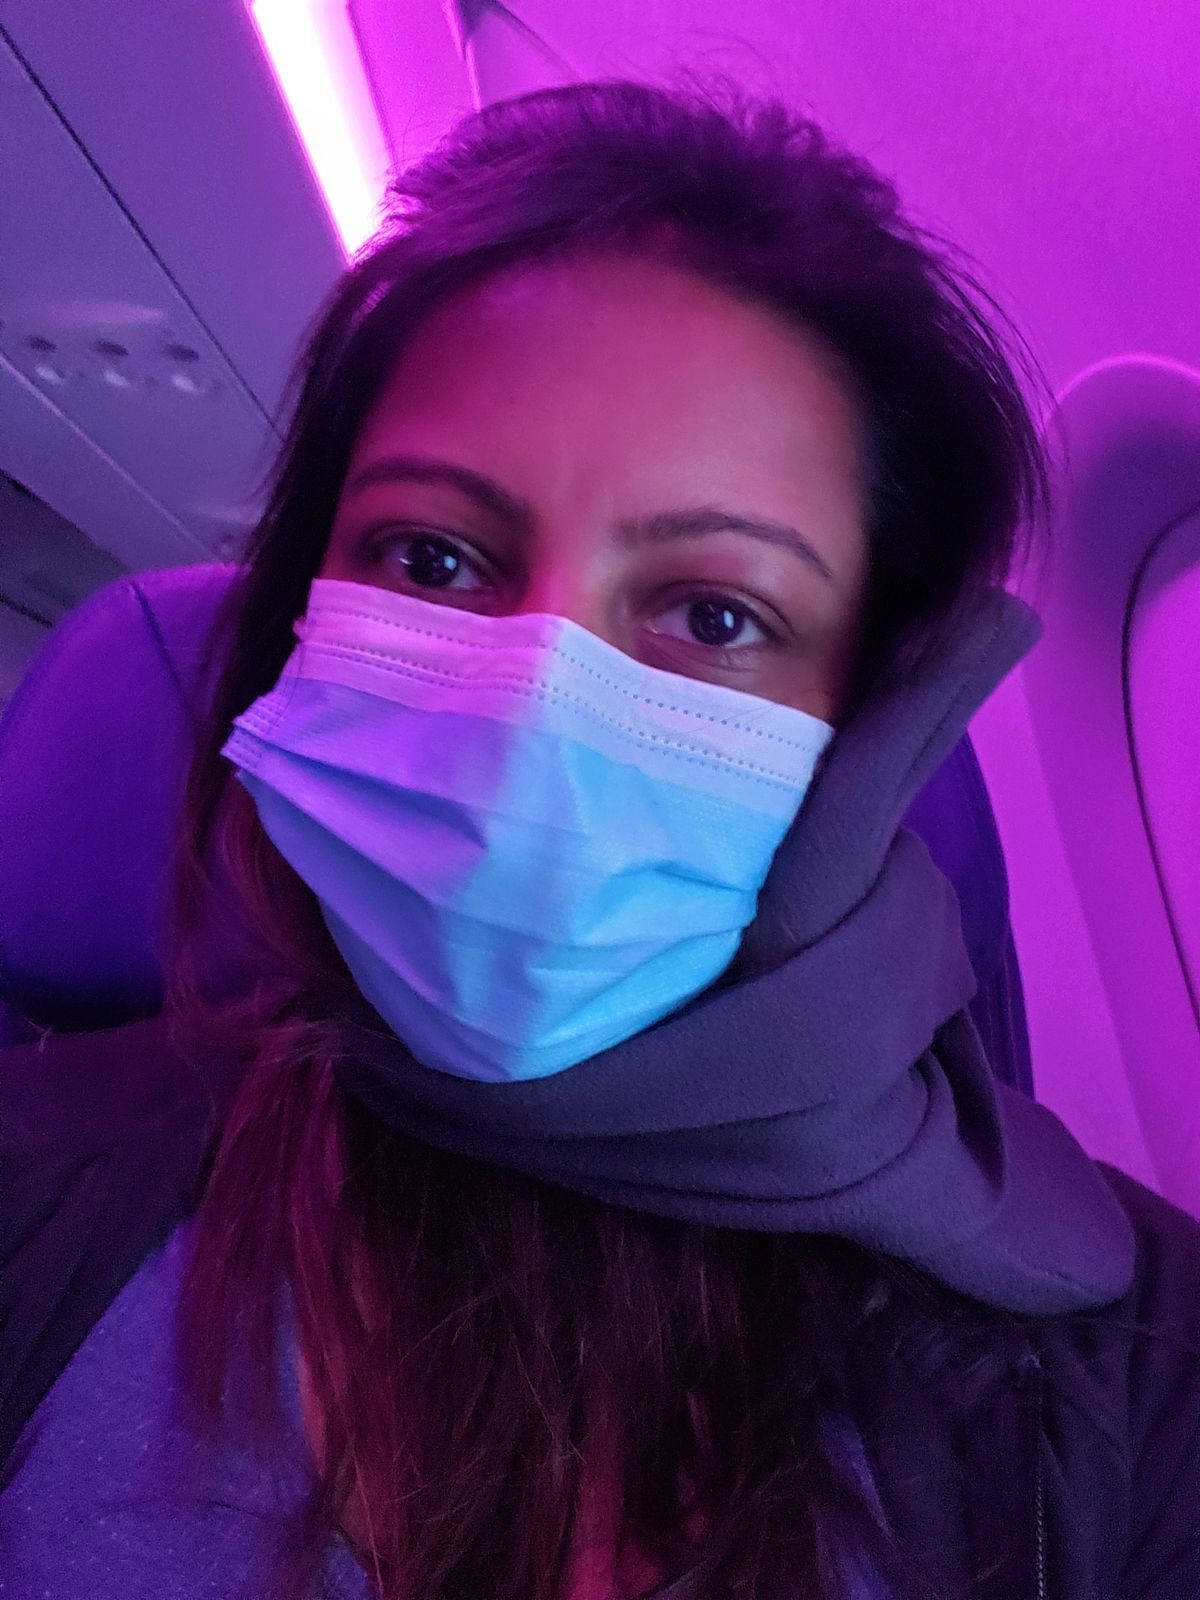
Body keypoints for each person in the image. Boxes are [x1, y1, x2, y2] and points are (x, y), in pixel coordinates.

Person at [2, 76, 1199, 1600]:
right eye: (433, 560)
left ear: (865, 734)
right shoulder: (33, 1175)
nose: (529, 714)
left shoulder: (1137, 1375)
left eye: (716, 616)